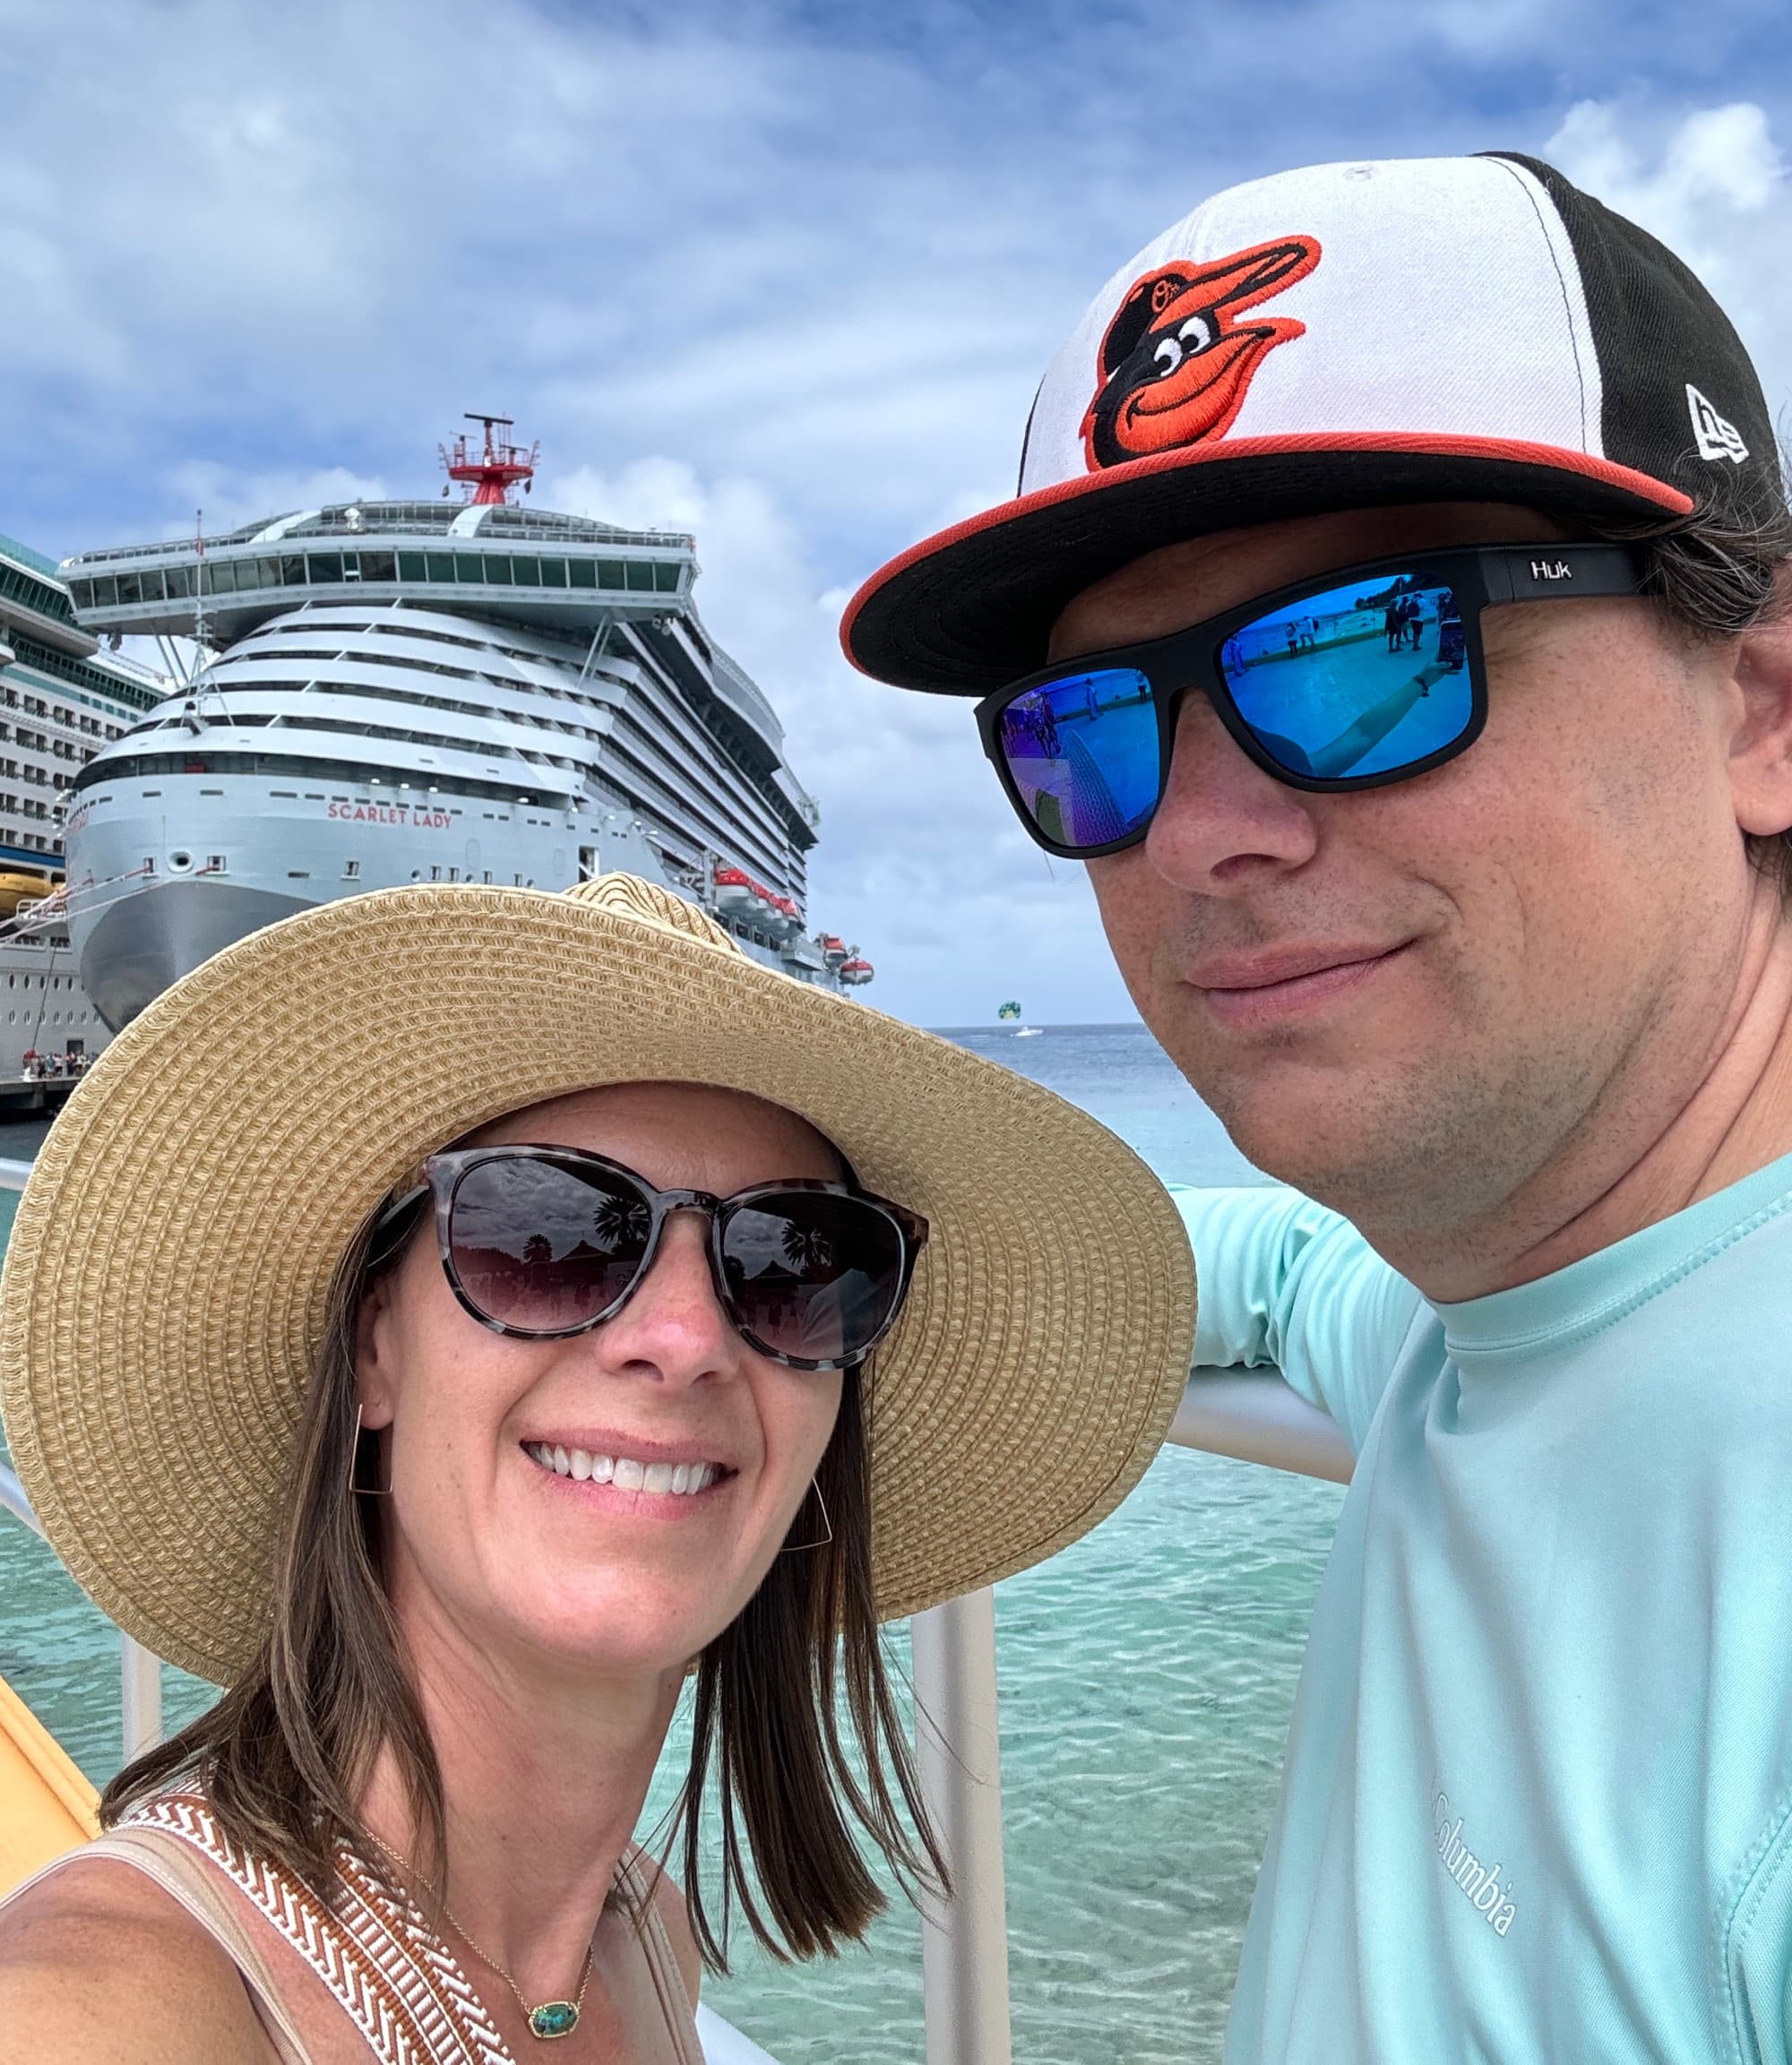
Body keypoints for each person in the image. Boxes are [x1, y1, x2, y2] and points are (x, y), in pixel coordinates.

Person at [840, 149, 1792, 2062]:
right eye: (1088, 727)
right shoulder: (1496, 1299)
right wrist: (755, 1268)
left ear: (1762, 704)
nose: (1197, 832)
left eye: (1369, 650)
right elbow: (1272, 1269)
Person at [0, 873, 1193, 2064]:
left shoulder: (643, 1943)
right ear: (375, 1350)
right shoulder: (101, 2010)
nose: (681, 1343)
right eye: (548, 1235)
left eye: (794, 1261)